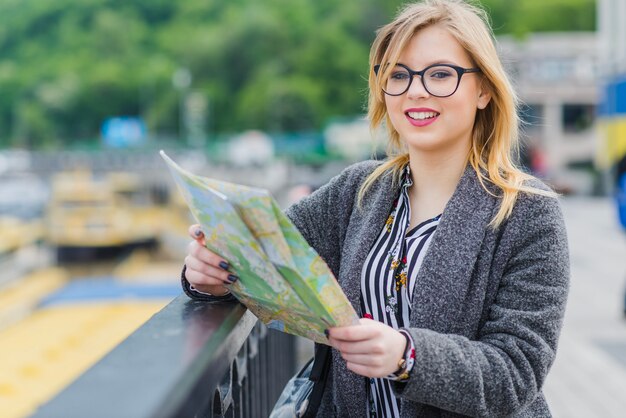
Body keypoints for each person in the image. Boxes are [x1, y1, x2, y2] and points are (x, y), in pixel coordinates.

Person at [181, 0, 569, 416]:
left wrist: (408, 356)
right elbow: (263, 258)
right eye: (398, 75)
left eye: (440, 74)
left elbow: (516, 371)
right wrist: (207, 273)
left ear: (484, 90)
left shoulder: (528, 214)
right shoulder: (358, 191)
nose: (416, 90)